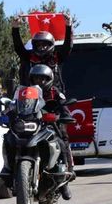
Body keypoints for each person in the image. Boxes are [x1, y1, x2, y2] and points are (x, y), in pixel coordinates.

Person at [28, 64, 75, 200]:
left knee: (62, 141)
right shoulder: (27, 92)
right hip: (32, 124)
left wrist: (62, 116)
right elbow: (17, 104)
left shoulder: (55, 92)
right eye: (36, 79)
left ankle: (65, 178)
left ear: (49, 79)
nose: (39, 82)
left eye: (43, 79)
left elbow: (64, 108)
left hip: (52, 125)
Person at [12, 14, 73, 90]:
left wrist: (68, 26)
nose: (42, 48)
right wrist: (15, 28)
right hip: (31, 97)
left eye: (44, 45)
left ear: (50, 45)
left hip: (54, 97)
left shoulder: (56, 57)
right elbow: (19, 48)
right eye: (39, 45)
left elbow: (67, 46)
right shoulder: (30, 57)